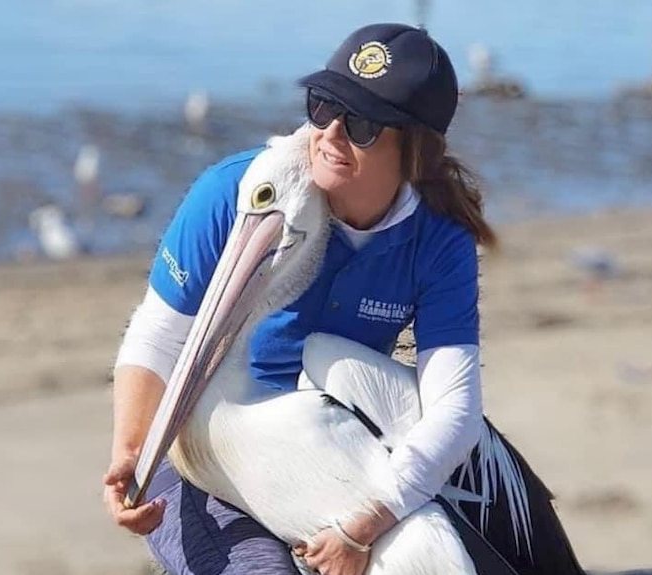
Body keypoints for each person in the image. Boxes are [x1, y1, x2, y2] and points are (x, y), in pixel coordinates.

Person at [103, 22, 580, 575]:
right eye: (322, 105)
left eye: (362, 123)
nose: (330, 132)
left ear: (415, 148)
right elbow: (160, 334)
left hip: (319, 441)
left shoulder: (437, 240)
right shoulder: (243, 196)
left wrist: (364, 526)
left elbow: (454, 408)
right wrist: (132, 455)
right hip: (197, 441)